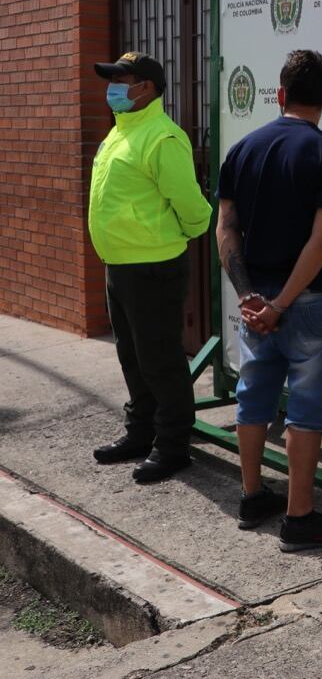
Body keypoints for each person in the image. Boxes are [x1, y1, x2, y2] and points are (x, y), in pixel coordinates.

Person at [214, 49, 322, 551]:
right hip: (313, 300)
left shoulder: (242, 150)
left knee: (252, 397)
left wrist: (251, 297)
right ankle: (299, 517)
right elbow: (319, 244)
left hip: (256, 302)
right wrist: (281, 304)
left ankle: (253, 495)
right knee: (305, 411)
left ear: (278, 95)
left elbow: (226, 229)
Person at [90, 52, 211, 484]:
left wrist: (179, 234)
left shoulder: (163, 137)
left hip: (153, 267)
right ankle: (140, 433)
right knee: (132, 358)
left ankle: (173, 445)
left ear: (147, 88)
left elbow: (193, 207)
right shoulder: (119, 134)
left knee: (160, 361)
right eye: (112, 80)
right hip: (120, 266)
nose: (114, 88)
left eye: (122, 81)